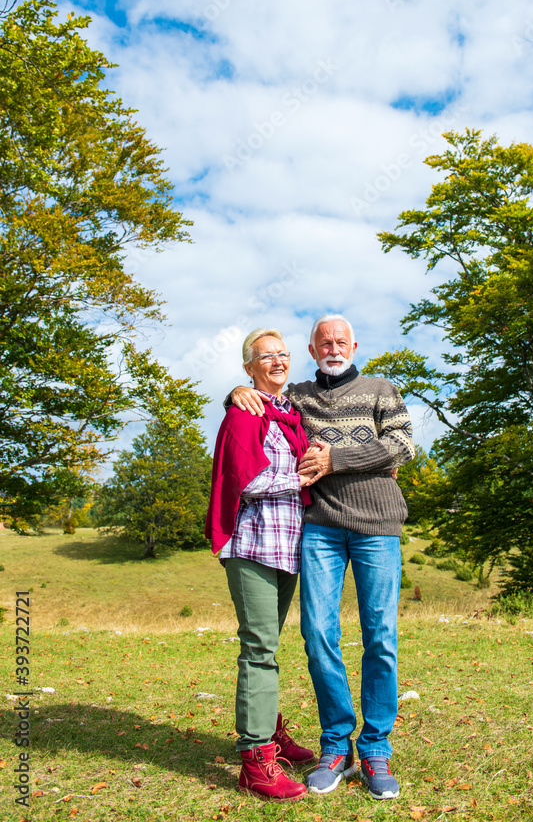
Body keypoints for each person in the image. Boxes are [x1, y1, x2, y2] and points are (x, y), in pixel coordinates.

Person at [230, 314, 415, 800]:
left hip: (377, 526)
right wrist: (235, 391)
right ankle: (336, 744)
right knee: (317, 634)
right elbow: (263, 404)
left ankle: (375, 747)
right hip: (321, 529)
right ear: (311, 352)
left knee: (380, 634)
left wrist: (337, 459)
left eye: (340, 341)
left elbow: (402, 445)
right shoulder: (300, 396)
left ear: (354, 344)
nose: (333, 347)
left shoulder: (381, 389)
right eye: (322, 343)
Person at [205, 328, 315, 802]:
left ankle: (269, 731)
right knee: (259, 646)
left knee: (269, 644)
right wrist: (306, 473)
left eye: (283, 354)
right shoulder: (242, 412)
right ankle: (256, 758)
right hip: (252, 544)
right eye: (266, 356)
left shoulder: (290, 412)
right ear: (248, 367)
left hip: (287, 547)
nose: (277, 361)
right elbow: (246, 479)